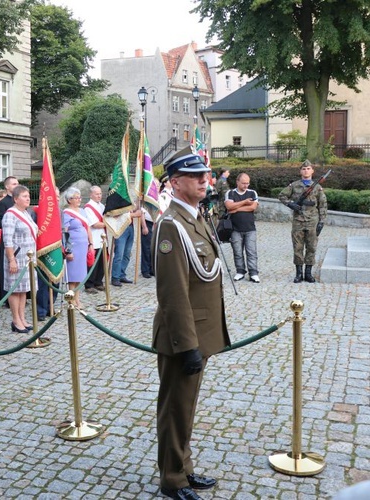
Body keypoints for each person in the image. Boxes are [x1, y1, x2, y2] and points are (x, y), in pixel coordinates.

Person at [152, 147, 230, 500]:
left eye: (205, 175)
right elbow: (173, 294)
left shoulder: (195, 218)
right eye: (195, 176)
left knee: (186, 406)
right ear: (176, 182)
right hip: (181, 338)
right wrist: (188, 345)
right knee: (175, 409)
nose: (204, 180)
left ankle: (183, 466)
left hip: (199, 332)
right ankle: (173, 481)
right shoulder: (171, 225)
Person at [278, 160, 328, 283]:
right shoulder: (294, 186)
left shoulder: (317, 187)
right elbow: (281, 196)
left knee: (311, 247)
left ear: (312, 171)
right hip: (298, 221)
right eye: (304, 169)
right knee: (297, 247)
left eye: (308, 169)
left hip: (312, 221)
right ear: (300, 171)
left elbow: (322, 205)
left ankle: (308, 273)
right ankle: (299, 274)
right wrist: (291, 205)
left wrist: (322, 221)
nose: (306, 171)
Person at [2, 185, 38, 333]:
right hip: (16, 258)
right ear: (16, 199)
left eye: (28, 196)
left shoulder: (26, 213)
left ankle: (22, 317)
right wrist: (11, 259)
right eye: (24, 196)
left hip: (28, 258)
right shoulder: (10, 214)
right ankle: (16, 320)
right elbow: (7, 239)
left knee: (23, 290)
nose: (28, 198)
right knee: (15, 290)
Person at [224, 173, 260, 283]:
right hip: (235, 228)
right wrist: (245, 202)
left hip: (250, 228)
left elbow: (253, 207)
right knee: (237, 251)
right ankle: (240, 271)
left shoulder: (252, 192)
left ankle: (253, 272)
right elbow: (229, 207)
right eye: (244, 183)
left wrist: (236, 209)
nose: (246, 185)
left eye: (248, 183)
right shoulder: (230, 193)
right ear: (237, 182)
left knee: (251, 251)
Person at [62, 187, 93, 308]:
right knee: (72, 275)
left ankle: (78, 299)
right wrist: (68, 250)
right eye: (76, 197)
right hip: (73, 246)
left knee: (80, 274)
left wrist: (91, 243)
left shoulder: (82, 211)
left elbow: (88, 227)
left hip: (83, 246)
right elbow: (64, 232)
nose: (79, 199)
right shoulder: (66, 213)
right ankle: (71, 300)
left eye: (80, 197)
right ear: (69, 200)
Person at [0, 176, 19, 303]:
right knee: (6, 266)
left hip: (20, 240)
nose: (16, 185)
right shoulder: (3, 203)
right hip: (8, 238)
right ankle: (5, 297)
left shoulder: (18, 202)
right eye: (14, 184)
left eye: (17, 184)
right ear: (7, 187)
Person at [110, 208, 142, 287]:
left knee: (127, 254)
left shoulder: (129, 199)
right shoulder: (117, 199)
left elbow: (133, 208)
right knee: (119, 254)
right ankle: (115, 277)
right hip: (121, 228)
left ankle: (121, 274)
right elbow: (116, 213)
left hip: (130, 227)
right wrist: (133, 214)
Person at [83, 186, 106, 293]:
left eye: (100, 193)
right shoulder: (88, 207)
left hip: (103, 237)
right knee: (93, 263)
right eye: (97, 194)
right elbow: (95, 224)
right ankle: (89, 284)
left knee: (101, 262)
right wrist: (110, 224)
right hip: (94, 238)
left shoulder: (101, 206)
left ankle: (98, 282)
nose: (99, 196)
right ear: (91, 194)